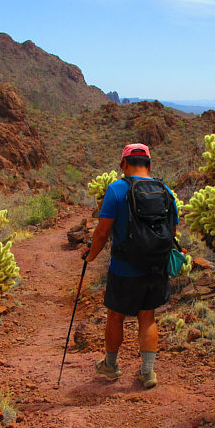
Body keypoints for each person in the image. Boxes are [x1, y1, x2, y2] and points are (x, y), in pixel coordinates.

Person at [84, 143, 178, 389]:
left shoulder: (116, 190)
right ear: (149, 164)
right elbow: (173, 230)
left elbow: (103, 231)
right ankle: (147, 372)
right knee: (148, 317)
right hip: (156, 267)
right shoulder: (165, 190)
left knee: (115, 316)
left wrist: (91, 256)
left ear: (123, 164)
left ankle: (111, 365)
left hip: (124, 268)